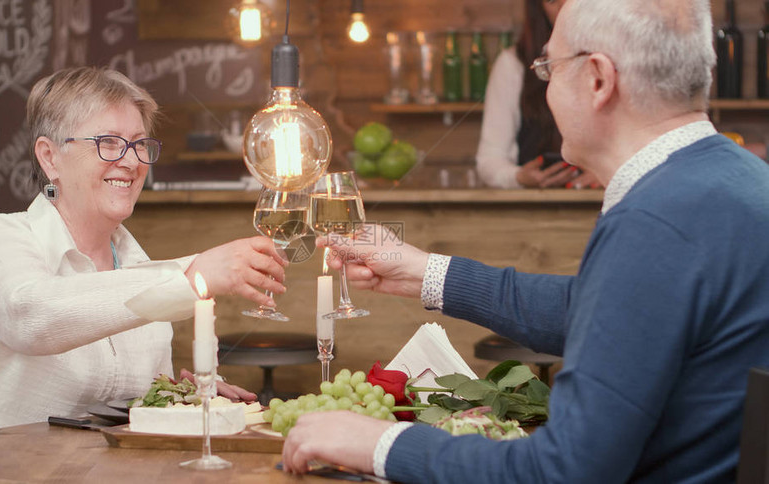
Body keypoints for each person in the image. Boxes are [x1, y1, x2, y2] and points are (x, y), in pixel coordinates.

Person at [282, 0, 769, 482]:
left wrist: (381, 444)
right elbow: (597, 311)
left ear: (598, 79)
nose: (546, 86)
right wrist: (421, 271)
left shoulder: (654, 221)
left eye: (549, 68)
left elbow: (564, 472)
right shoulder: (742, 181)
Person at [0, 67, 281, 482]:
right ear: (49, 157)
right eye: (108, 143)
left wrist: (176, 400)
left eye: (140, 145)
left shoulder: (136, 263)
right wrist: (190, 273)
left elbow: (115, 410)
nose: (131, 161)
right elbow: (33, 317)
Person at [477, 0, 597, 190]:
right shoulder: (513, 64)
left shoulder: (619, 59)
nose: (564, 7)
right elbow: (490, 159)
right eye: (552, 0)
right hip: (534, 210)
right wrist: (520, 177)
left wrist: (607, 174)